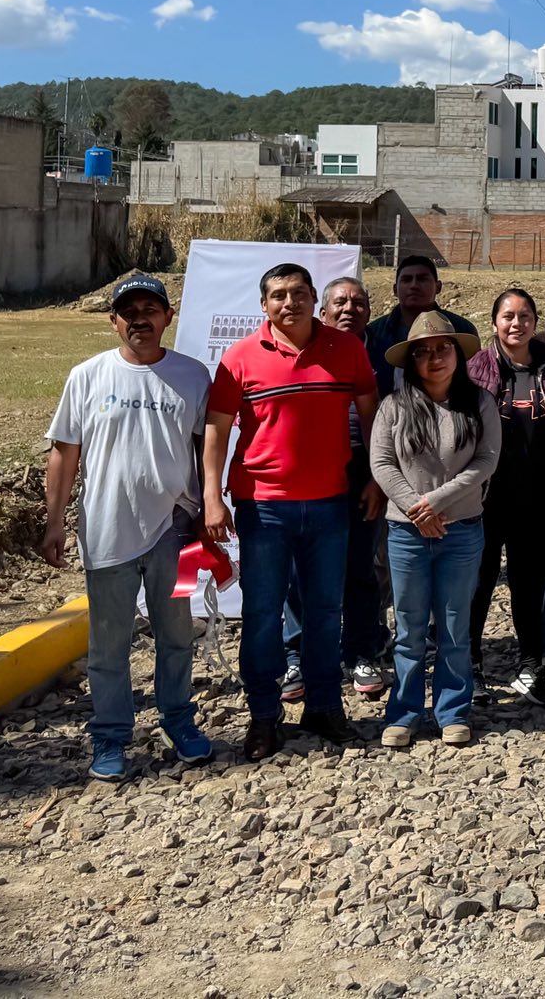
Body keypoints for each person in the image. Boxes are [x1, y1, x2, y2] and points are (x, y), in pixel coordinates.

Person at [204, 263, 381, 762]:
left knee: (326, 613)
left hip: (330, 504)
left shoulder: (346, 349)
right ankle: (264, 716)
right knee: (262, 615)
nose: (290, 303)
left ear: (312, 300)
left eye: (299, 293)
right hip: (263, 507)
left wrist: (375, 478)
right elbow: (216, 431)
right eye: (279, 295)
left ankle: (324, 707)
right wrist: (212, 496)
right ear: (264, 305)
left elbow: (371, 417)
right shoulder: (240, 359)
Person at [42, 275, 213, 780]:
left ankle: (179, 722)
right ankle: (111, 737)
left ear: (168, 316)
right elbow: (64, 452)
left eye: (150, 308)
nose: (140, 318)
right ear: (114, 320)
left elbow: (207, 451)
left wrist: (208, 509)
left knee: (176, 635)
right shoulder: (88, 376)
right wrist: (55, 522)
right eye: (129, 310)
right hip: (106, 530)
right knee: (109, 645)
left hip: (175, 533)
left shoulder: (193, 376)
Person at [368, 313, 500, 749]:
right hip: (406, 534)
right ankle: (404, 712)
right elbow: (382, 463)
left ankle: (452, 710)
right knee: (408, 628)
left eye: (442, 349)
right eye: (423, 351)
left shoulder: (478, 402)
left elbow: (486, 461)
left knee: (453, 625)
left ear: (458, 355)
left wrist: (435, 503)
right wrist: (413, 506)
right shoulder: (394, 406)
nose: (434, 358)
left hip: (461, 531)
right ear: (411, 361)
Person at [465, 288, 545, 707]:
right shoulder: (476, 369)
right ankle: (470, 666)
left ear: (536, 320)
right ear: (495, 322)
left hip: (535, 495)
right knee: (477, 583)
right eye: (508, 316)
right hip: (483, 497)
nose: (517, 324)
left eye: (525, 316)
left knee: (529, 582)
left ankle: (531, 666)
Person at [278, 275, 389, 706]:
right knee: (297, 572)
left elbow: (383, 422)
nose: (349, 309)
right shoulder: (302, 351)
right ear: (322, 312)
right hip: (305, 477)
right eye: (340, 303)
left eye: (359, 303)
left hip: (363, 473)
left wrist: (378, 478)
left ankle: (361, 652)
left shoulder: (382, 356)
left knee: (360, 568)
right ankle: (295, 654)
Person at [366, 255, 479, 398]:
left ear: (438, 287)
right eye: (406, 280)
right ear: (395, 289)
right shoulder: (374, 333)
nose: (414, 285)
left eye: (422, 279)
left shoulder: (462, 330)